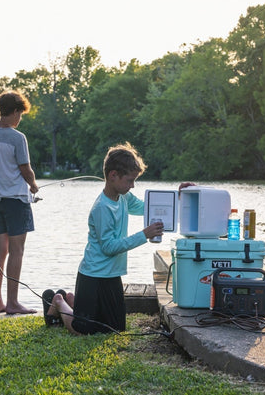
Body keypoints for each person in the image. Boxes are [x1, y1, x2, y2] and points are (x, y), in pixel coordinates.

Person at [44, 142, 191, 335]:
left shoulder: (123, 197)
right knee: (83, 330)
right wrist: (144, 235)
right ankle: (59, 302)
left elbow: (146, 206)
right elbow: (109, 247)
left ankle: (74, 301)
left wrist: (178, 196)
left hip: (111, 275)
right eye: (130, 180)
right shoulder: (102, 208)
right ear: (113, 175)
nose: (132, 186)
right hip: (93, 274)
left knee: (115, 329)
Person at [0, 91, 39, 315]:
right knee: (17, 251)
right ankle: (13, 302)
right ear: (15, 111)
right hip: (16, 201)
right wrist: (34, 185)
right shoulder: (17, 137)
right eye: (20, 114)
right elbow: (25, 169)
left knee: (0, 250)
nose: (20, 119)